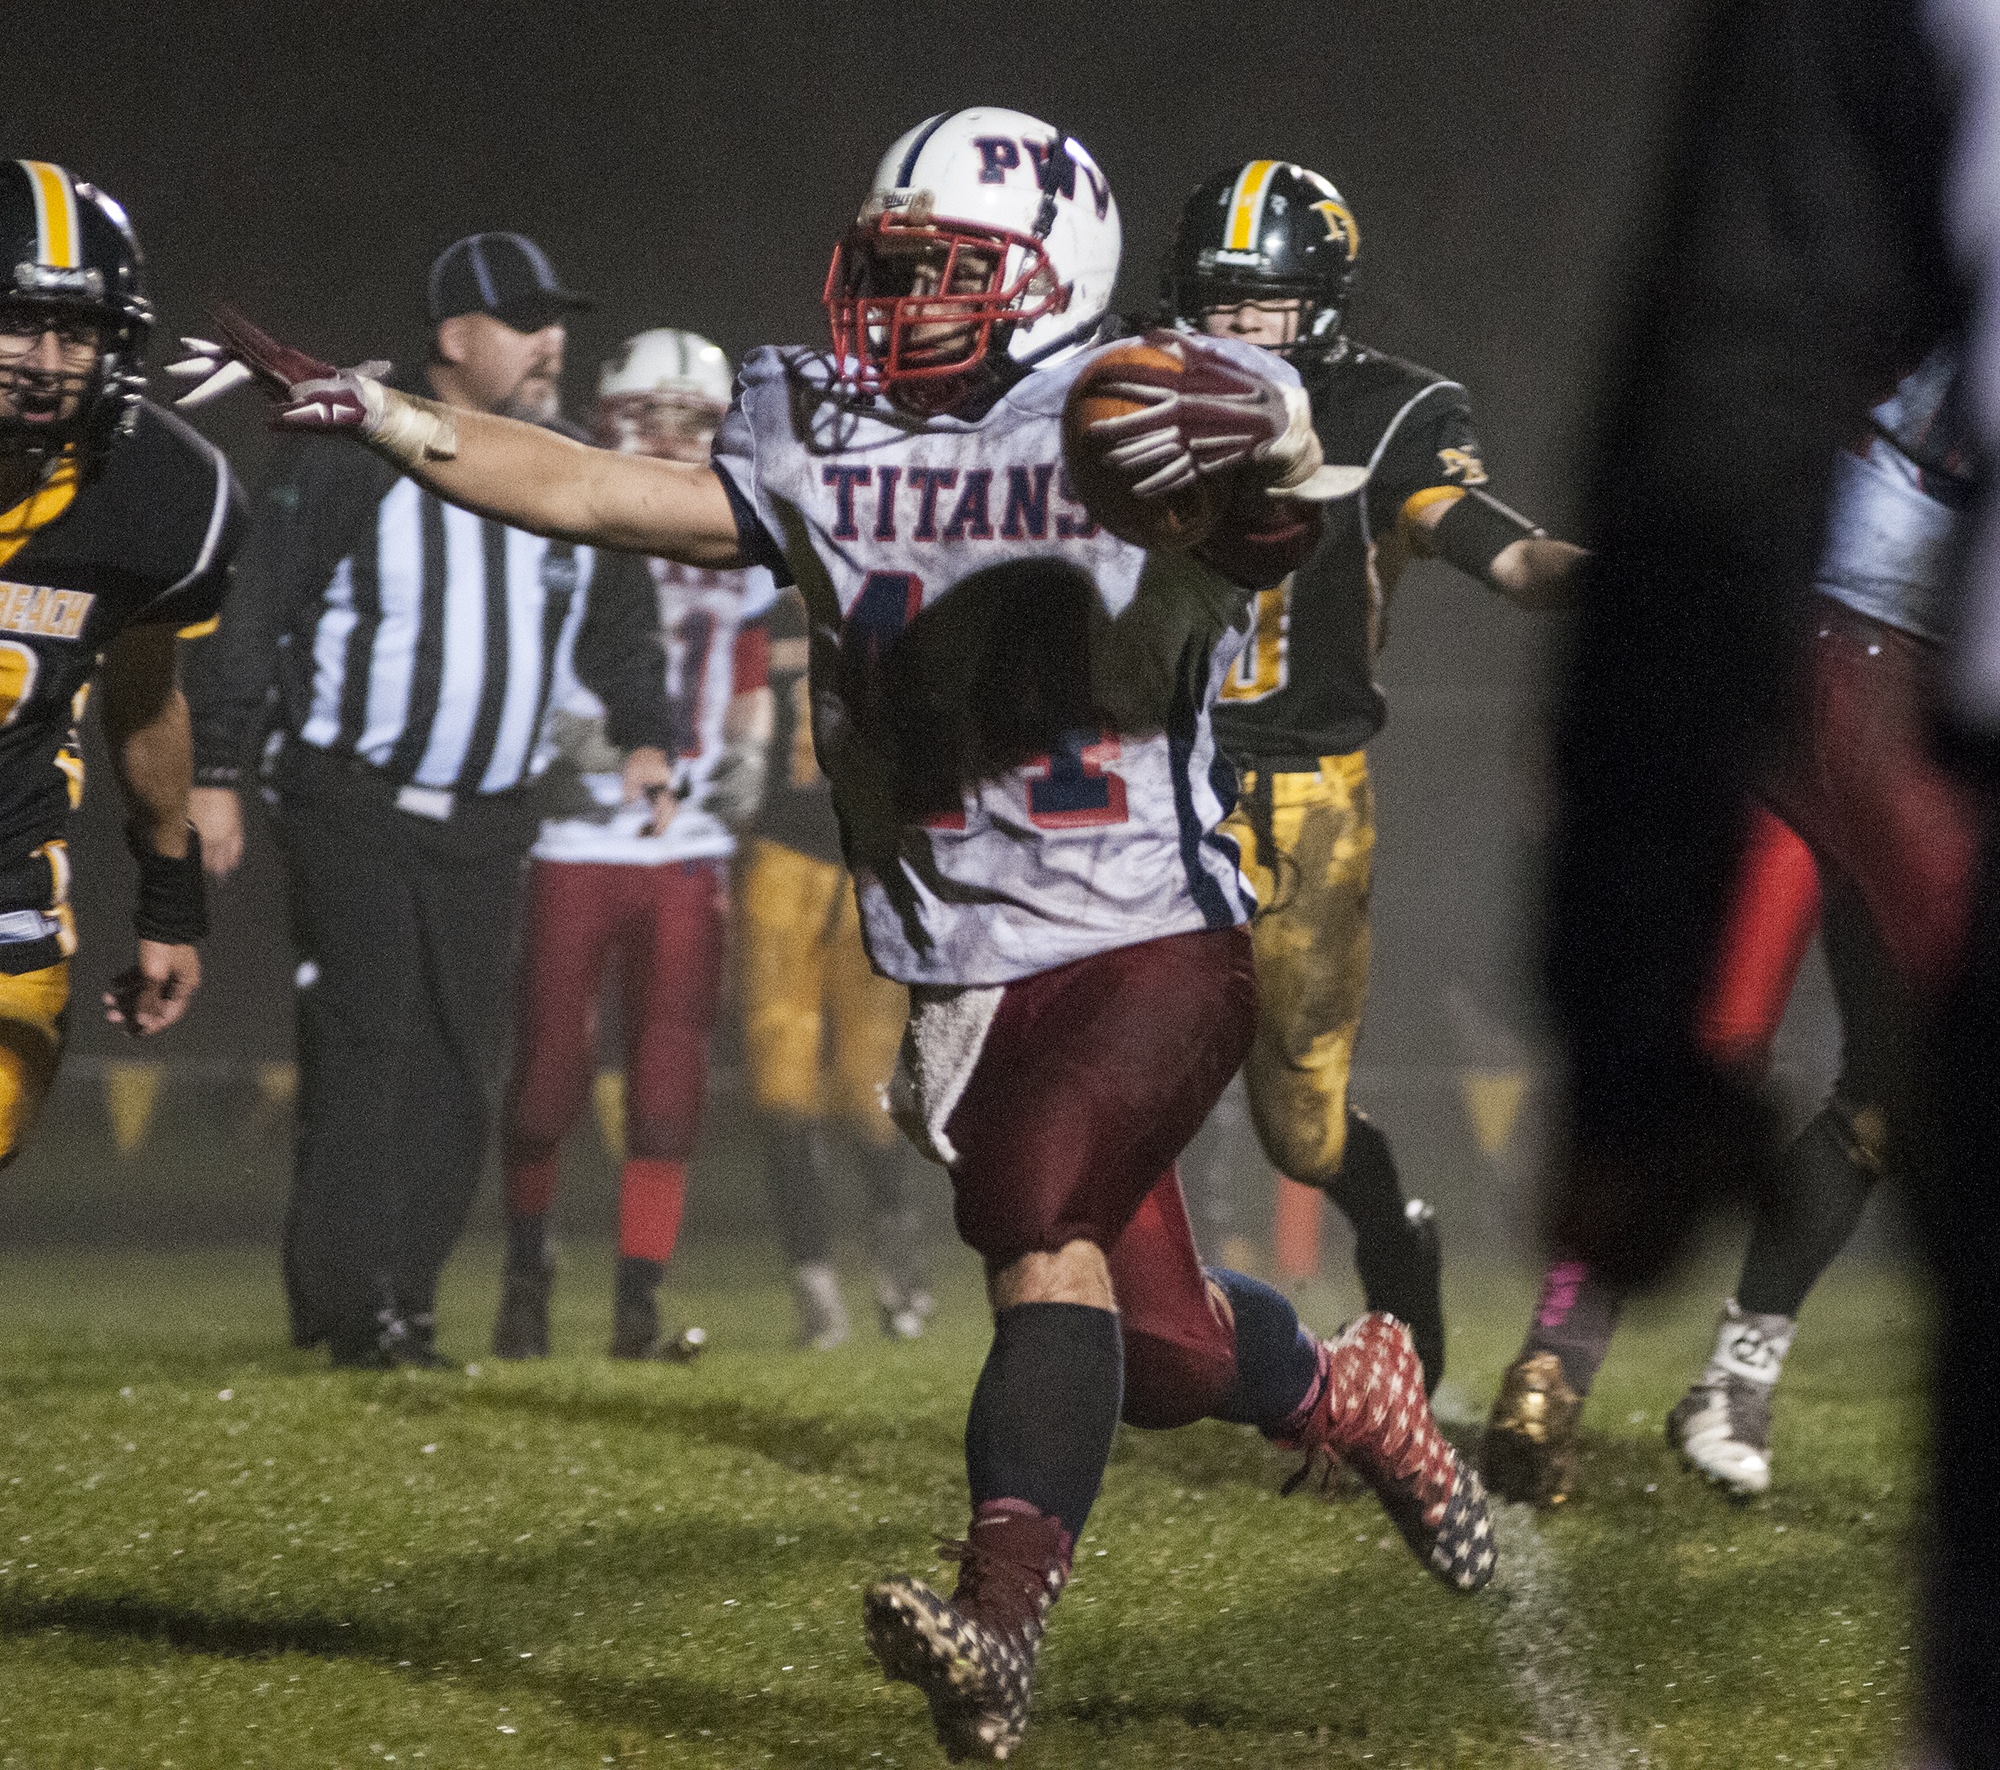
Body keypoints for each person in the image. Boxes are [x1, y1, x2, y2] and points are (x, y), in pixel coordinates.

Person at [174, 104, 1497, 1764]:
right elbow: (592, 488)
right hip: (965, 964)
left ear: (1051, 275)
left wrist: (1259, 486)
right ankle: (1348, 1393)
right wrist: (384, 414)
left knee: (1035, 1213)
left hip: (1154, 933)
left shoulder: (1129, 404)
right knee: (1157, 1348)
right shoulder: (819, 422)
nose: (902, 300)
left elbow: (1263, 516)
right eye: (892, 265)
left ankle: (997, 1623)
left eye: (948, 271)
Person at [1487, 346, 1979, 1505]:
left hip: (1888, 696)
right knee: (1721, 1042)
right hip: (1831, 681)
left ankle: (1717, 1377)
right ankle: (1559, 1365)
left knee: (1891, 1084)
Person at [177, 233, 674, 1369]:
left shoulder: (566, 461)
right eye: (524, 320)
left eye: (557, 319)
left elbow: (618, 623)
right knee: (369, 1045)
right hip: (351, 798)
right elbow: (258, 608)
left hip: (491, 818)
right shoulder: (353, 448)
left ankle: (405, 1298)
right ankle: (357, 1312)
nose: (552, 341)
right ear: (453, 337)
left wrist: (647, 734)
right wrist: (218, 768)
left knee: (457, 1065)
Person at [1158, 161, 1587, 1390]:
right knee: (1122, 1066)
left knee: (1302, 1129)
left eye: (1263, 303)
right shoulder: (1132, 384)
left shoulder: (1385, 409)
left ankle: (1399, 1258)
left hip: (1305, 794)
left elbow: (1503, 555)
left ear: (1322, 304)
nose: (1237, 328)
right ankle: (1138, 1340)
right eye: (1216, 301)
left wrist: (1640, 579)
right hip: (1153, 776)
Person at [490, 327, 774, 1362]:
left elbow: (747, 669)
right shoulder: (567, 518)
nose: (673, 437)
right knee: (545, 1080)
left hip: (687, 839)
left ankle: (638, 1301)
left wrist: (752, 746)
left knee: (668, 1084)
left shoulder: (734, 531)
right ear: (614, 415)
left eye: (695, 420)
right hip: (575, 832)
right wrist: (551, 739)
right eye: (653, 415)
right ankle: (527, 1275)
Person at [0, 159, 242, 1160]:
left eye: (79, 332)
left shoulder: (156, 492)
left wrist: (170, 899)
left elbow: (143, 702)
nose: (48, 362)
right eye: (18, 323)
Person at [740, 580, 932, 1349]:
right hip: (782, 860)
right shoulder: (761, 624)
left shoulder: (895, 619)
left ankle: (899, 1273)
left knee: (871, 1089)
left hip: (870, 871)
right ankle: (817, 1291)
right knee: (781, 1090)